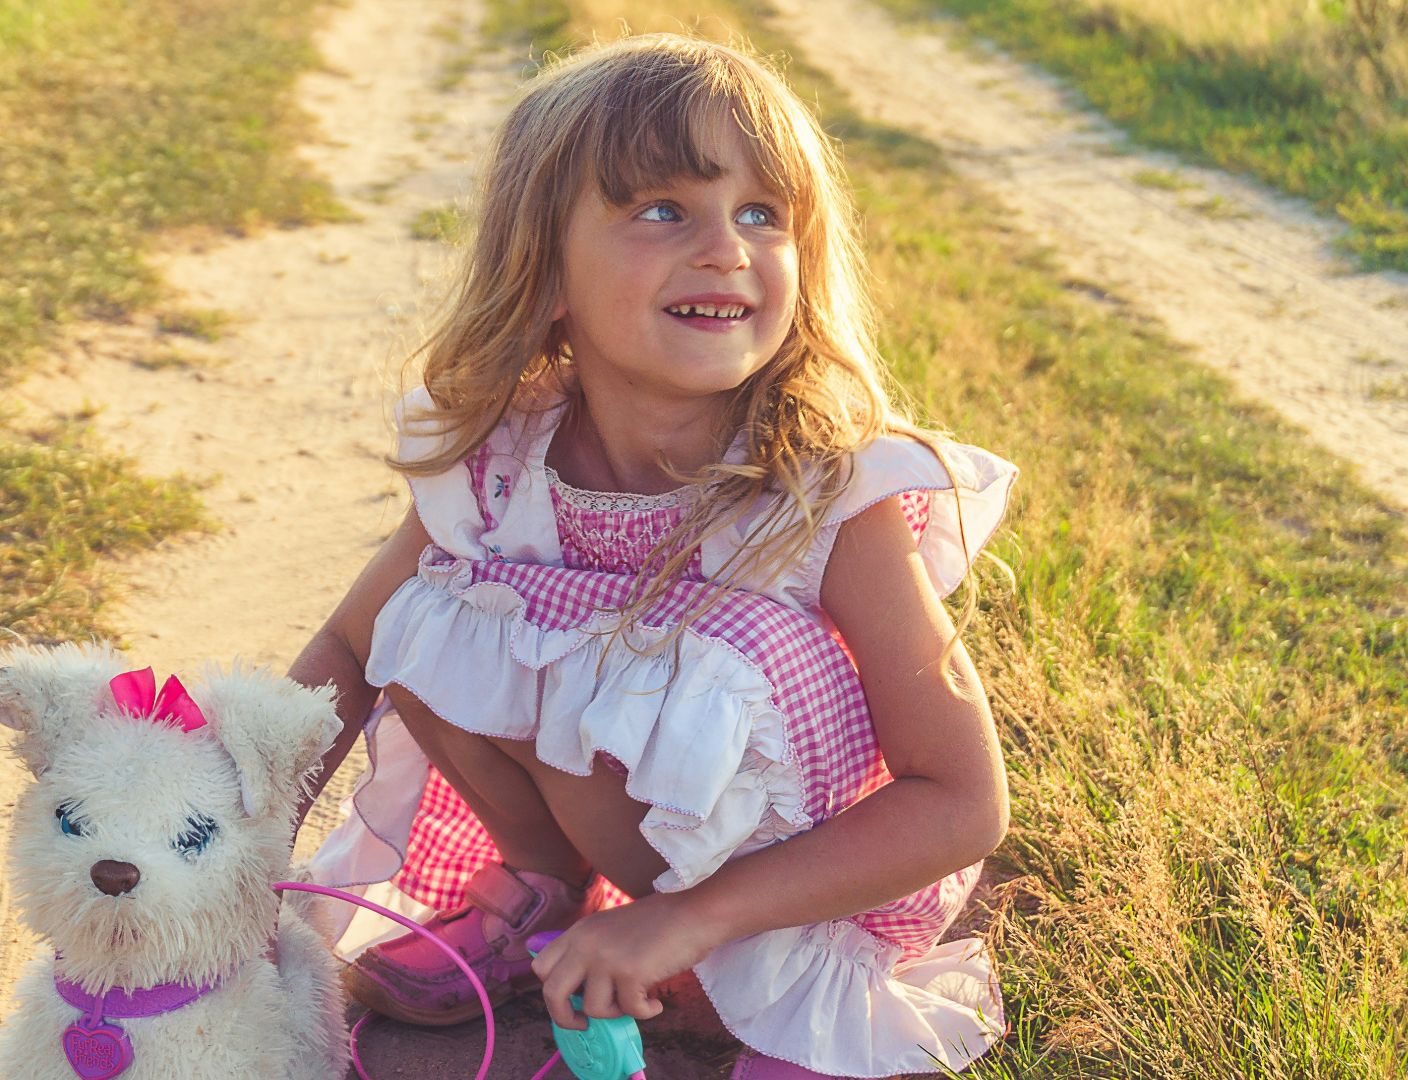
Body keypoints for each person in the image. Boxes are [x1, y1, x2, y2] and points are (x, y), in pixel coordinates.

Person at [289, 32, 1019, 1080]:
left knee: (713, 638)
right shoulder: (504, 460)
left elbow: (961, 798)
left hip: (788, 896)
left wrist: (688, 920)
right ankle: (544, 886)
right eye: (663, 209)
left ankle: (736, 977)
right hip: (626, 848)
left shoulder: (818, 489)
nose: (727, 247)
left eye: (763, 214)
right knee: (439, 599)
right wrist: (231, 837)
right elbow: (351, 650)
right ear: (544, 274)